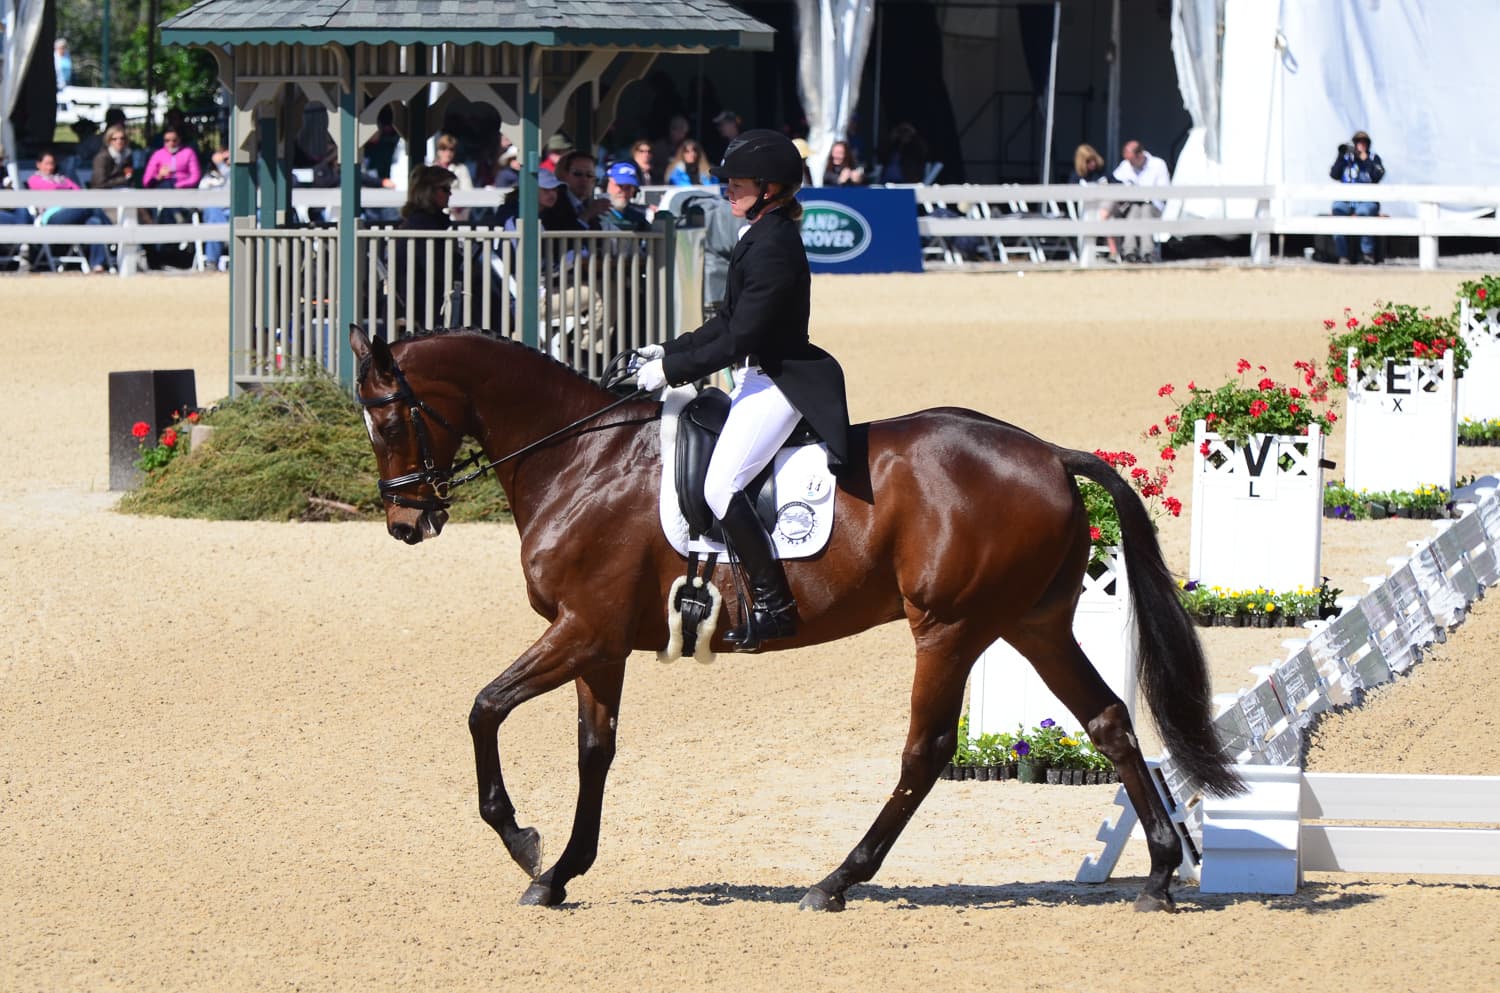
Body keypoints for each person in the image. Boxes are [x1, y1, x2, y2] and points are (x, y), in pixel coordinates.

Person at [633, 130, 852, 652]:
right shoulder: (758, 234)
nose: (728, 189)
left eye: (738, 183)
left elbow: (742, 336)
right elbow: (726, 321)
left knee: (720, 487)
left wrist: (673, 372)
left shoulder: (773, 244)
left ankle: (776, 608)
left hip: (780, 380)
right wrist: (667, 350)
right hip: (757, 375)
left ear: (769, 188)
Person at [27, 149, 111, 272]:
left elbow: (78, 191)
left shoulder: (61, 178)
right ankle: (114, 233)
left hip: (73, 213)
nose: (50, 167)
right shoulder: (34, 179)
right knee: (90, 205)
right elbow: (50, 188)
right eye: (47, 164)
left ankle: (97, 264)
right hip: (52, 216)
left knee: (95, 222)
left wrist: (64, 189)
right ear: (38, 164)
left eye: (52, 163)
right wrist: (66, 189)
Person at [1330, 130, 1385, 264]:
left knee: (1364, 213)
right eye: (1358, 142)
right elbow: (1334, 174)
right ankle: (1343, 255)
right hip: (1346, 200)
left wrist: (1365, 160)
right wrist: (1341, 156)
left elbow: (1377, 176)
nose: (1361, 145)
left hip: (1366, 200)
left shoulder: (1373, 158)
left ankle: (1367, 253)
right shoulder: (1347, 159)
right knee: (1338, 210)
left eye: (1364, 142)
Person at [1111, 139, 1170, 262]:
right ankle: (1129, 252)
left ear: (1140, 155)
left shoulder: (1158, 164)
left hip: (1153, 206)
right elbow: (1115, 182)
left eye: (1131, 160)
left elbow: (1164, 190)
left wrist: (1145, 195)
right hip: (1133, 205)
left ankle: (1147, 253)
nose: (1130, 163)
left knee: (1145, 211)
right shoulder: (1125, 165)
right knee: (1133, 213)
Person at [1069, 143, 1116, 259]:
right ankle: (1113, 251)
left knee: (1105, 212)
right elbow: (1071, 195)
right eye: (1088, 161)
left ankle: (1113, 251)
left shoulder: (1102, 172)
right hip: (1087, 211)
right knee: (1107, 218)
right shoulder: (1076, 176)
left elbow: (1117, 185)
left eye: (1094, 160)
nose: (1093, 163)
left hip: (1106, 206)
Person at [543, 149, 608, 232]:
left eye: (589, 175)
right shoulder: (553, 203)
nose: (584, 179)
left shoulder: (588, 205)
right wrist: (587, 215)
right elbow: (562, 237)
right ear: (564, 175)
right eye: (577, 174)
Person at [199, 147, 232, 271]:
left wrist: (222, 165)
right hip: (214, 214)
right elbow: (200, 203)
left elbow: (232, 183)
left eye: (228, 158)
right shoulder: (208, 178)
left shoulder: (234, 175)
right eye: (224, 159)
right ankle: (212, 262)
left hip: (231, 213)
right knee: (213, 212)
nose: (226, 161)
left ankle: (212, 260)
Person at [429, 132, 474, 221]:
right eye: (444, 149)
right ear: (438, 151)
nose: (448, 153)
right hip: (435, 216)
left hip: (457, 216)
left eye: (451, 149)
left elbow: (468, 192)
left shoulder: (461, 169)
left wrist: (457, 209)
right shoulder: (431, 169)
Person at [598, 162, 651, 232]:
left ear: (634, 192)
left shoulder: (639, 219)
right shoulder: (595, 215)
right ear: (605, 186)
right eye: (619, 185)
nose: (623, 191)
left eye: (628, 187)